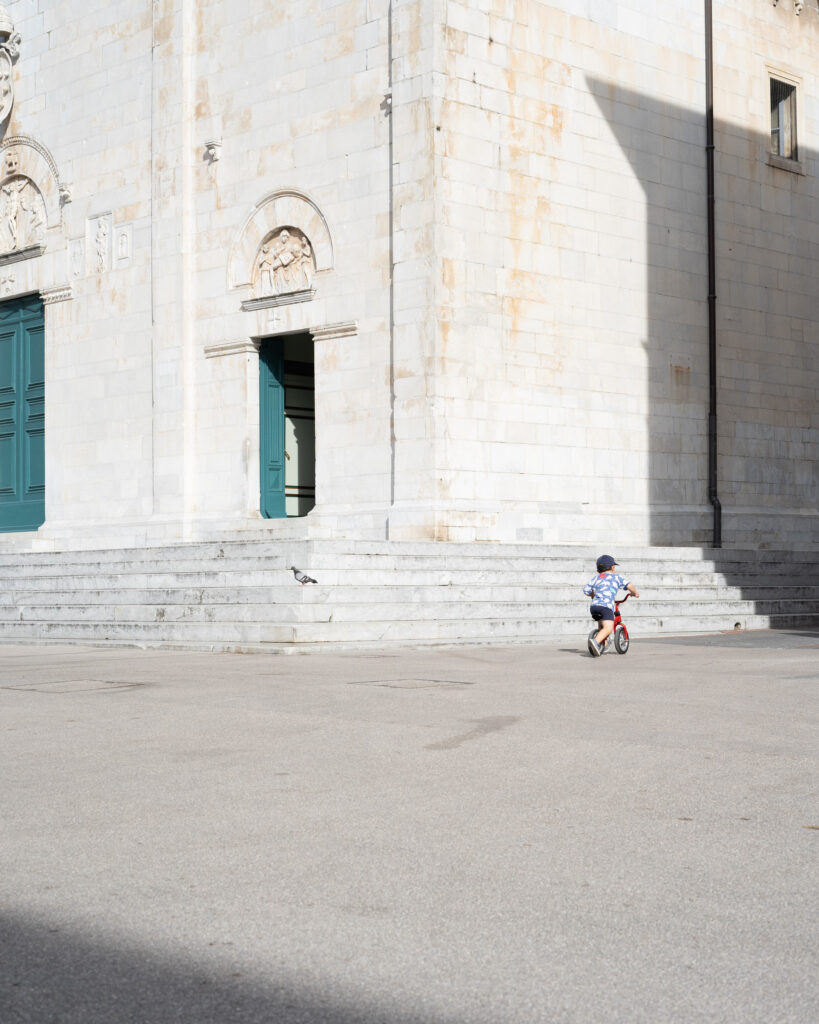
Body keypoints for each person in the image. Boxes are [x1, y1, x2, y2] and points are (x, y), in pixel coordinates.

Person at [583, 555, 639, 657]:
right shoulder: (616, 577)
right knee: (608, 628)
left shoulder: (596, 578)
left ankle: (603, 642)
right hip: (606, 606)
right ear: (613, 567)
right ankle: (596, 642)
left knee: (602, 624)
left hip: (594, 606)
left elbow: (586, 590)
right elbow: (629, 585)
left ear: (598, 569)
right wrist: (634, 593)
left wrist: (593, 595)